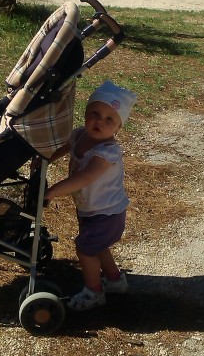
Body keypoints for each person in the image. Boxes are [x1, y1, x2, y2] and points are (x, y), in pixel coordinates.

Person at [44, 80, 137, 311]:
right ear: (85, 113)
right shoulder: (80, 135)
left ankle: (94, 292)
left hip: (107, 213)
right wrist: (46, 159)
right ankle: (115, 280)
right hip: (90, 208)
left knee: (85, 249)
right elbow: (66, 147)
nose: (99, 121)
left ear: (118, 127)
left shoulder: (107, 152)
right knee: (97, 246)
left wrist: (54, 190)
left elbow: (86, 177)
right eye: (94, 113)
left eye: (109, 119)